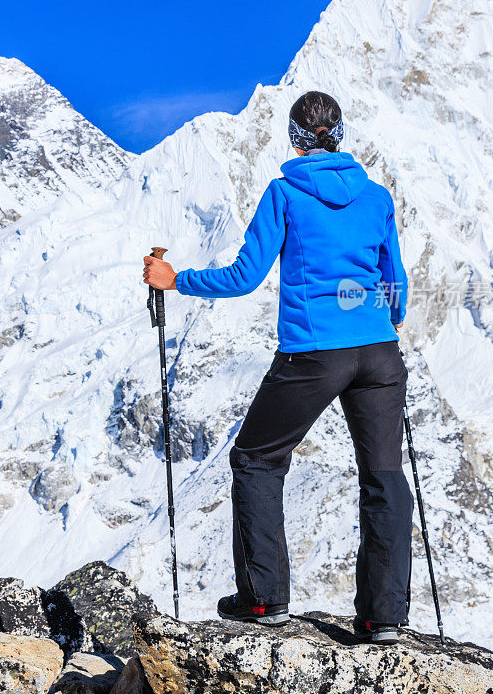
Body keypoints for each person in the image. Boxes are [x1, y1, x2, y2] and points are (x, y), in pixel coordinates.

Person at [142, 91, 412, 645]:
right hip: (380, 351)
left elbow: (245, 277)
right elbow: (396, 285)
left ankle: (264, 601)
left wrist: (176, 280)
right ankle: (383, 617)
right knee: (383, 476)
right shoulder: (376, 197)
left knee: (258, 458)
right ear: (342, 135)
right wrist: (385, 322)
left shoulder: (286, 194)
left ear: (293, 138)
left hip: (313, 352)